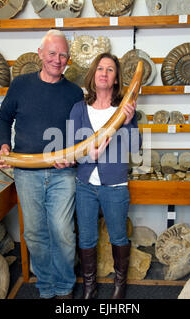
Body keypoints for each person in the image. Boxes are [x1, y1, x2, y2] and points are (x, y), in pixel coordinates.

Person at [0, 29, 84, 299]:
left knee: (63, 232)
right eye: (53, 53)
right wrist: (4, 144)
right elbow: (2, 118)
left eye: (63, 55)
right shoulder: (20, 84)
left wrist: (70, 155)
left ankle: (65, 286)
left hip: (63, 174)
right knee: (34, 233)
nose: (58, 60)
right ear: (40, 54)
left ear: (68, 59)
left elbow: (80, 135)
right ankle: (46, 287)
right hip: (26, 173)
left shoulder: (74, 92)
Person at [68, 52, 141, 299]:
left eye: (110, 70)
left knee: (119, 236)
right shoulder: (79, 109)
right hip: (85, 185)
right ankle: (90, 287)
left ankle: (120, 286)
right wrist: (90, 156)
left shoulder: (124, 109)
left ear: (116, 79)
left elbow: (135, 147)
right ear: (93, 74)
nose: (104, 73)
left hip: (115, 185)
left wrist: (130, 122)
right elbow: (72, 148)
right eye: (100, 68)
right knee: (86, 238)